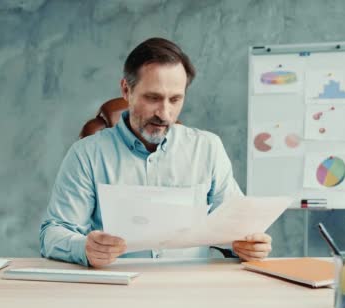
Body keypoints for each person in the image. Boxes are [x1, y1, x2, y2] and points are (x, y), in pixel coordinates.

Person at [40, 37, 272, 267]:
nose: (165, 113)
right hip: (116, 291)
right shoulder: (86, 154)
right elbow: (52, 234)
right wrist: (85, 248)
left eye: (175, 99)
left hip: (191, 292)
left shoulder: (208, 149)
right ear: (126, 90)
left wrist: (246, 244)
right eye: (153, 98)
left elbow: (237, 228)